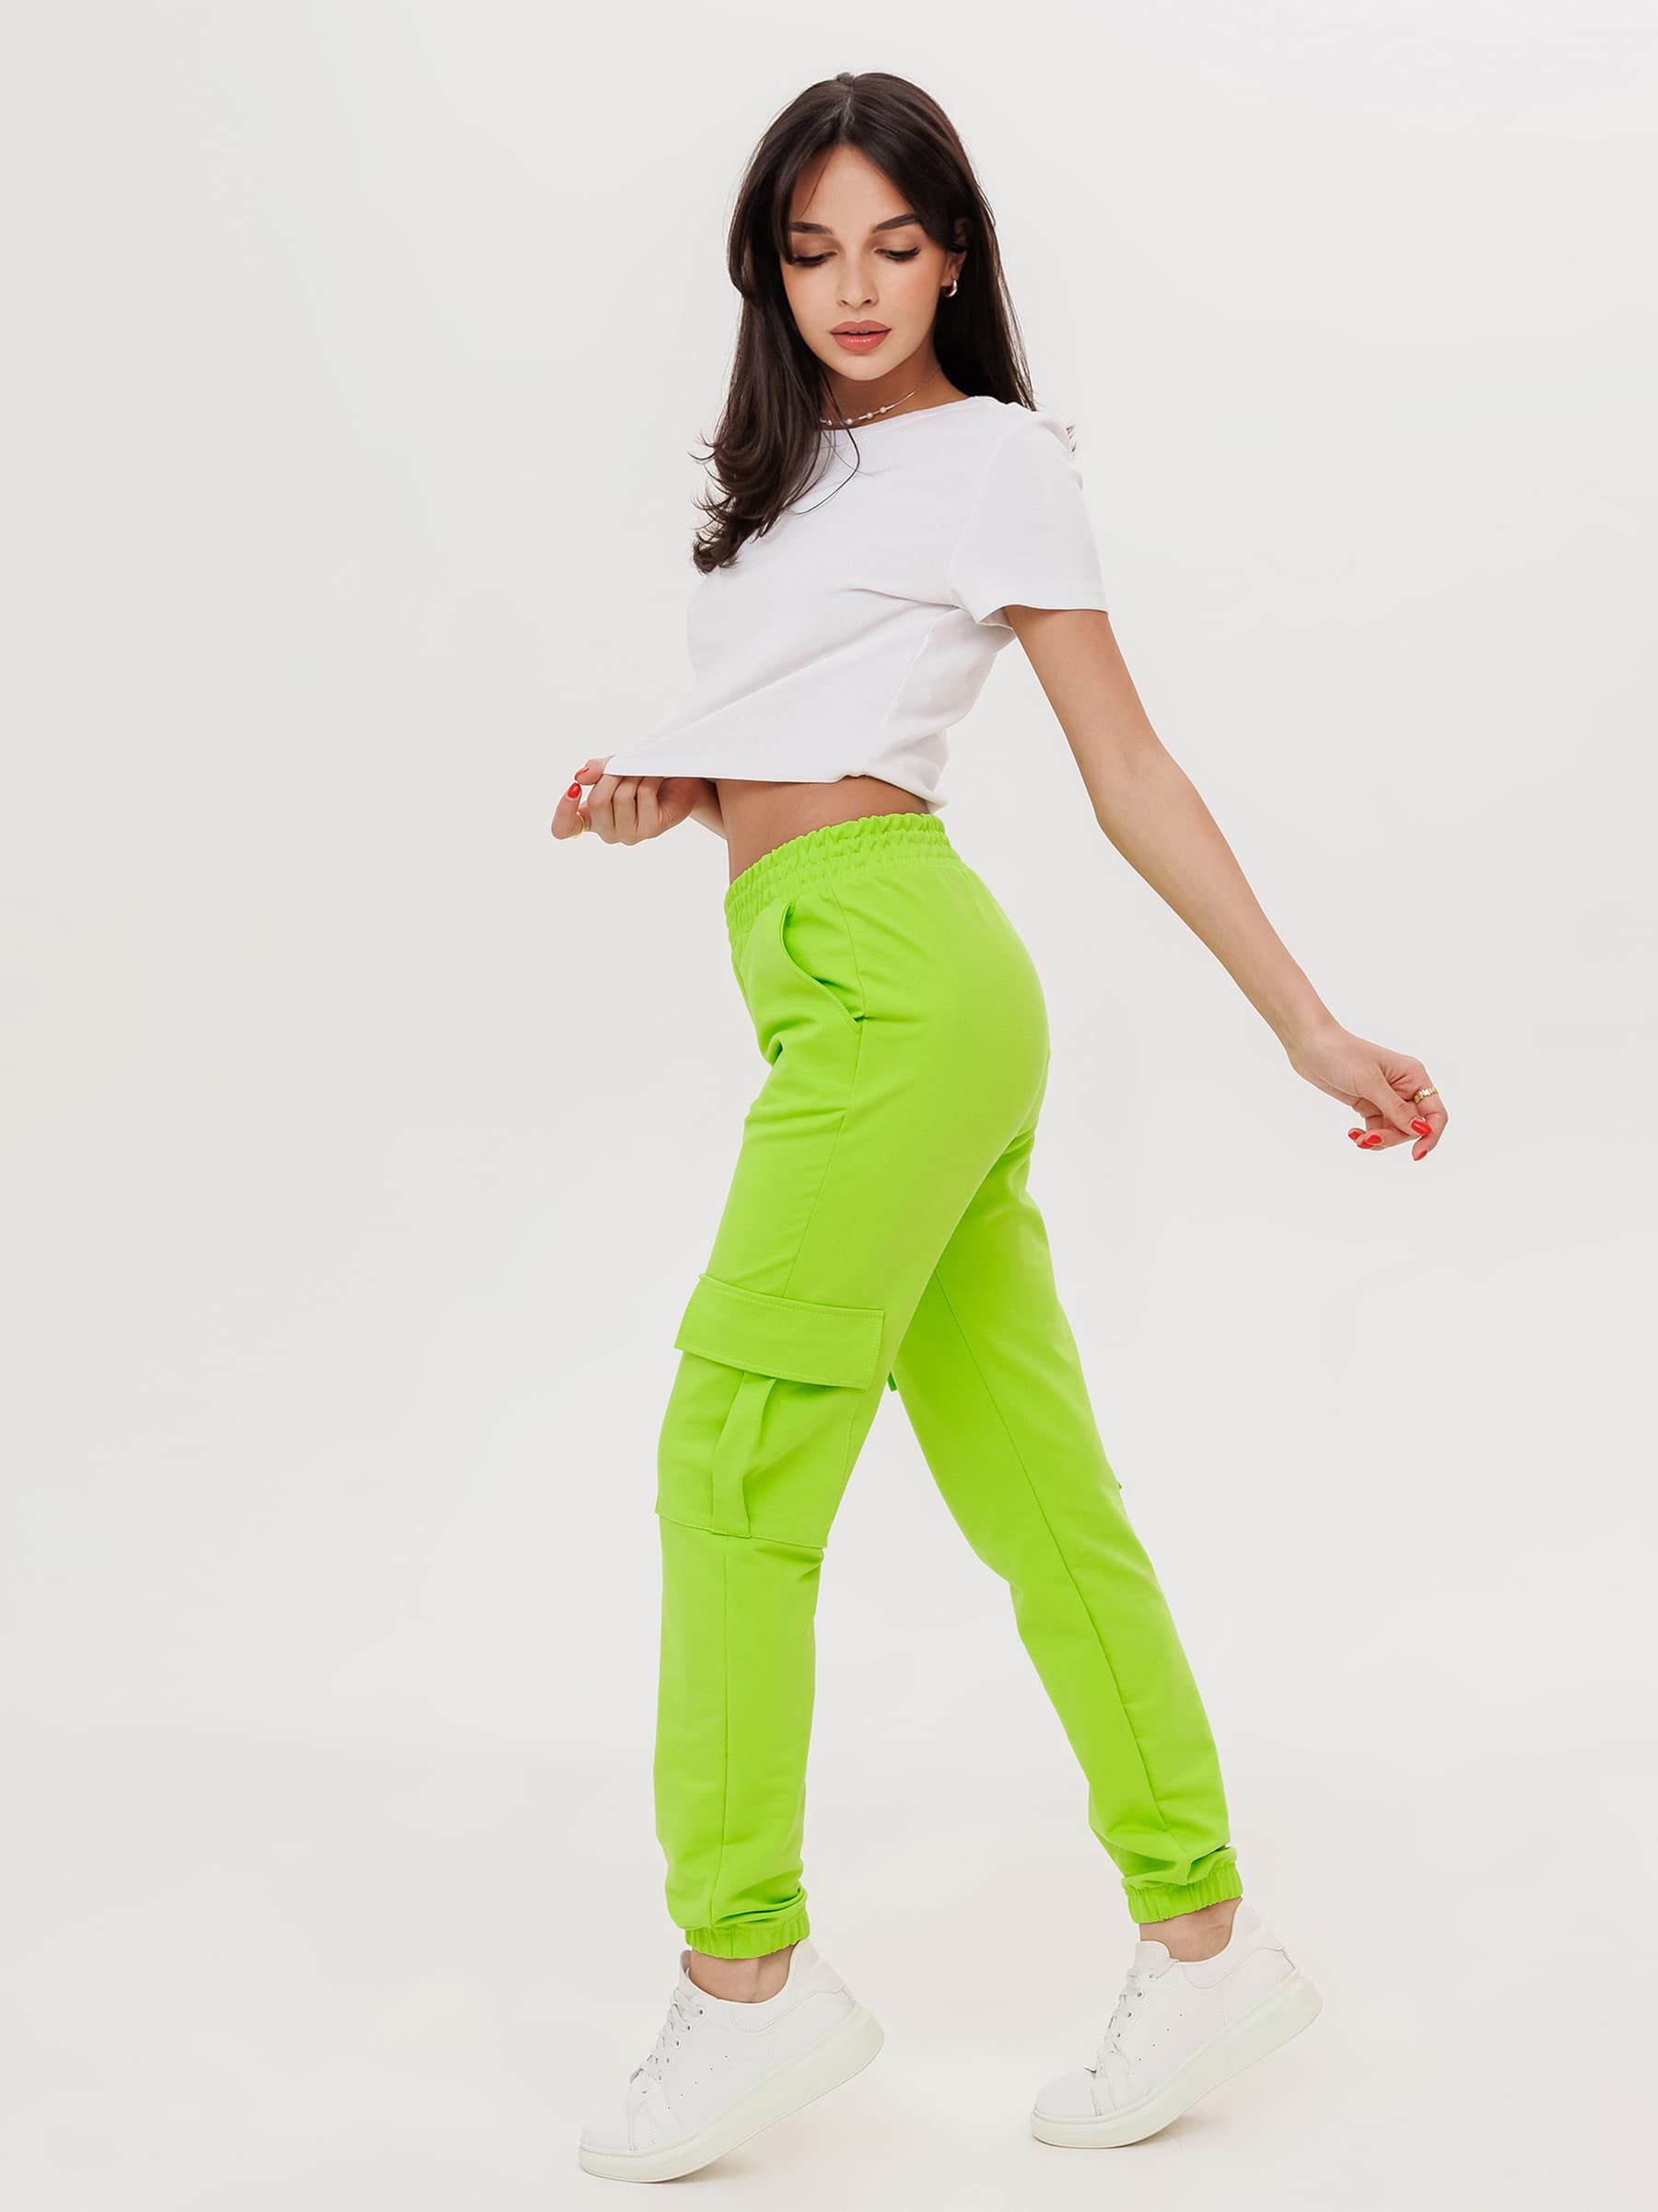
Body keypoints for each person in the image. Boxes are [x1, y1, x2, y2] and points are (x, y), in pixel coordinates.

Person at [554, 70, 1446, 2186]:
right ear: (771, 273)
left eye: (894, 243)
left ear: (954, 254)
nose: (855, 286)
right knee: (1035, 1482)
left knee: (729, 1454)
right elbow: (807, 734)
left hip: (902, 987)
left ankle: (743, 1980)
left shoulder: (998, 460)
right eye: (812, 251)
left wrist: (1307, 1023)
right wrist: (676, 788)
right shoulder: (787, 484)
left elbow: (1127, 768)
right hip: (842, 978)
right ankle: (1206, 1934)